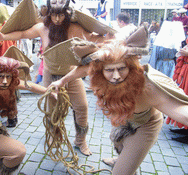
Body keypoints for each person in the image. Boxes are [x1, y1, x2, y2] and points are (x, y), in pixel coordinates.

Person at [48, 38, 188, 175]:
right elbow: (83, 69)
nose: (116, 76)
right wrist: (61, 82)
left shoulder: (148, 87)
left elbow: (182, 112)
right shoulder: (97, 69)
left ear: (131, 67)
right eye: (109, 70)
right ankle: (121, 159)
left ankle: (125, 164)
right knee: (119, 143)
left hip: (145, 124)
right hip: (123, 117)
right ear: (100, 70)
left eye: (121, 68)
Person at [0, 0, 109, 156]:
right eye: (54, 14)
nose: (57, 19)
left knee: (82, 106)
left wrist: (107, 38)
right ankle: (53, 136)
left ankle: (80, 141)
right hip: (49, 75)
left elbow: (92, 37)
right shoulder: (42, 28)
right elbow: (22, 34)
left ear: (66, 14)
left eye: (61, 14)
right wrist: (3, 37)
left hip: (70, 74)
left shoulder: (74, 28)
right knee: (51, 110)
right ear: (49, 14)